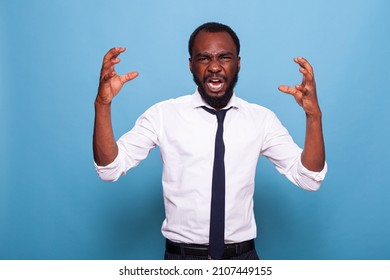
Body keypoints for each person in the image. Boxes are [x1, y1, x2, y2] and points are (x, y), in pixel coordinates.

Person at [93, 22, 327, 260]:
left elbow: (309, 178)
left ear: (238, 63)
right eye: (203, 58)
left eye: (224, 57)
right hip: (181, 260)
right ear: (191, 65)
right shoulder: (163, 115)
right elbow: (109, 169)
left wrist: (313, 115)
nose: (214, 67)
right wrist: (102, 105)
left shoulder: (261, 119)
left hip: (242, 259)